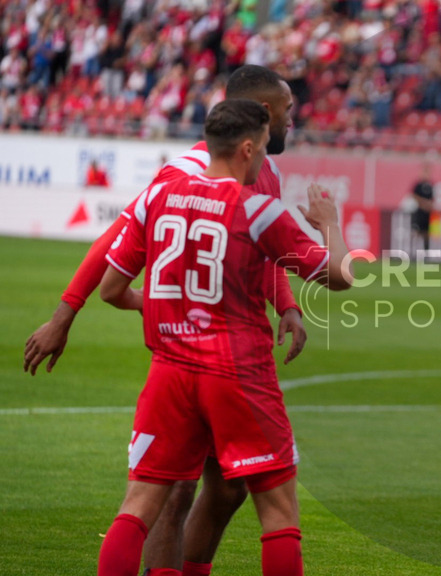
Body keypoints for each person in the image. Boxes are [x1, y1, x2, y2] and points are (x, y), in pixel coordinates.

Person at [24, 64, 304, 576]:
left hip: (232, 353)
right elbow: (116, 240)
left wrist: (286, 304)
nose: (293, 120)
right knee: (175, 491)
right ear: (264, 116)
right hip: (191, 352)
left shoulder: (264, 170)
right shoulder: (185, 173)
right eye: (287, 110)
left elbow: (262, 251)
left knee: (229, 487)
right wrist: (65, 313)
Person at [95, 99, 352, 576]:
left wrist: (165, 311)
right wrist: (329, 224)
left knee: (137, 508)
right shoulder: (257, 210)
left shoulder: (158, 196)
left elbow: (111, 290)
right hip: (238, 375)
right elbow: (339, 276)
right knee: (277, 513)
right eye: (260, 156)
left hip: (169, 373)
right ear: (248, 148)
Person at [410, 161, 435, 252]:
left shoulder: (430, 185)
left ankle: (426, 253)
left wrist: (429, 205)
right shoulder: (418, 185)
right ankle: (412, 252)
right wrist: (423, 203)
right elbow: (414, 196)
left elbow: (432, 199)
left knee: (426, 233)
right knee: (415, 232)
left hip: (427, 213)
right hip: (419, 212)